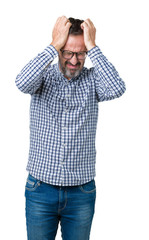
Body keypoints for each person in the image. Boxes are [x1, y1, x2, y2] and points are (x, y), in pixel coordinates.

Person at [16, 16, 126, 240]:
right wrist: (53, 44)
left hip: (81, 192)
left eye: (81, 53)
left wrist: (93, 46)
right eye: (67, 52)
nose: (74, 60)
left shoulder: (93, 80)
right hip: (40, 189)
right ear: (58, 51)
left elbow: (117, 88)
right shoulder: (42, 77)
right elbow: (21, 82)